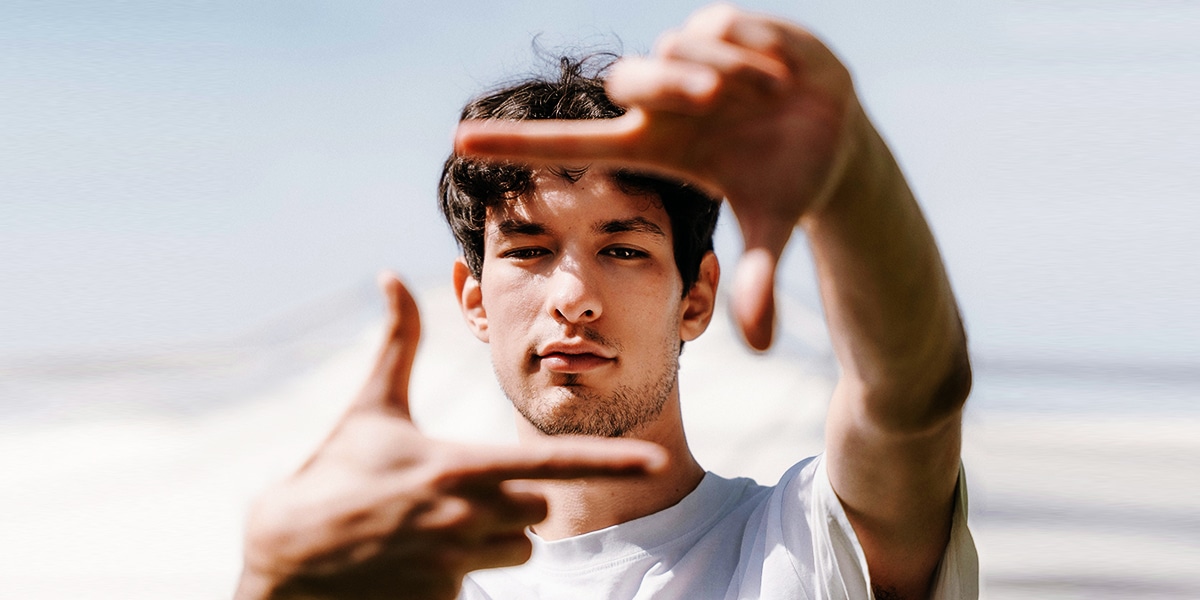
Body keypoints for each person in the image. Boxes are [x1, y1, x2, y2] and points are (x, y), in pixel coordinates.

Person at [235, 4, 977, 599]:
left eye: (623, 250)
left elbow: (911, 397)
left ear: (697, 296)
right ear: (473, 302)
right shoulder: (397, 584)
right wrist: (269, 587)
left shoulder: (801, 547)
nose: (574, 297)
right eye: (528, 251)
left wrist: (853, 179)